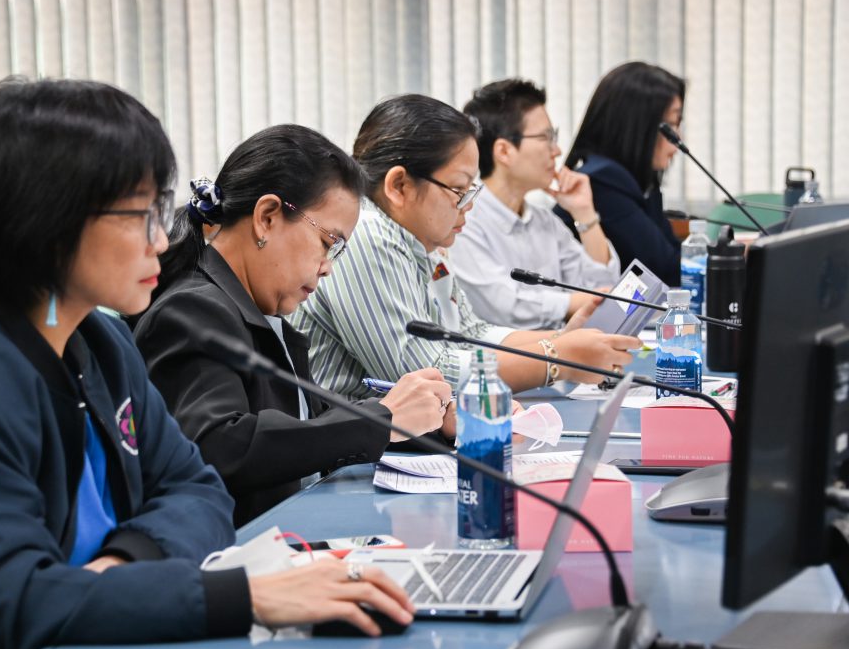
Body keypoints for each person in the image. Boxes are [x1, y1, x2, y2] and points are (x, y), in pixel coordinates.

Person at [0, 79, 413, 649]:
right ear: (45, 219)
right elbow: (12, 608)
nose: (161, 239)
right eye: (138, 216)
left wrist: (121, 568)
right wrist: (244, 597)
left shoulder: (99, 341)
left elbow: (198, 490)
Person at [134, 124, 451, 527]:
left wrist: (432, 421)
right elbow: (220, 446)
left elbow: (310, 434)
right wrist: (380, 418)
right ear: (267, 217)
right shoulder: (193, 310)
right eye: (327, 242)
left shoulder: (260, 314)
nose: (328, 267)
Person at [291, 94, 640, 402]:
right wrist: (556, 360)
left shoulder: (420, 238)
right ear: (399, 185)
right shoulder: (366, 237)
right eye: (459, 191)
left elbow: (471, 333)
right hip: (348, 462)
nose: (468, 205)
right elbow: (423, 375)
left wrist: (563, 340)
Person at [454, 78, 620, 330]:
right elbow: (503, 307)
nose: (557, 150)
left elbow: (601, 289)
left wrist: (584, 214)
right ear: (504, 151)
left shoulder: (544, 222)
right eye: (547, 138)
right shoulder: (463, 221)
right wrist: (575, 302)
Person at [553, 61, 685, 287]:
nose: (677, 141)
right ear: (637, 126)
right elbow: (665, 271)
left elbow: (672, 256)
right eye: (670, 126)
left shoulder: (633, 181)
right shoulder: (602, 183)